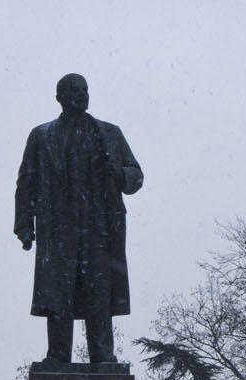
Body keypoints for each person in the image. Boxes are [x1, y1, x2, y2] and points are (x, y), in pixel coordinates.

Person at [14, 73, 144, 364]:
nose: (82, 95)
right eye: (74, 90)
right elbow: (27, 183)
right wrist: (23, 225)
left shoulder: (110, 133)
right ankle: (58, 356)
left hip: (99, 229)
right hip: (58, 229)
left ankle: (103, 355)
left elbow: (135, 176)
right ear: (59, 97)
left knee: (99, 293)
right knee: (60, 293)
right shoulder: (41, 136)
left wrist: (119, 174)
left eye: (85, 89)